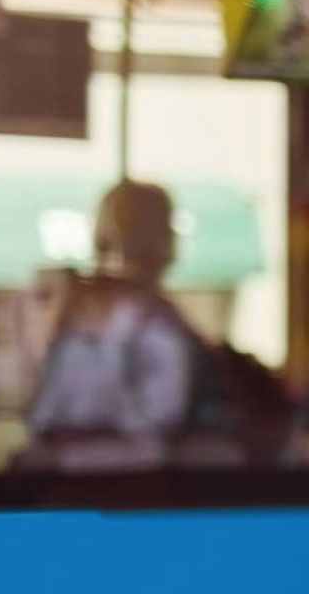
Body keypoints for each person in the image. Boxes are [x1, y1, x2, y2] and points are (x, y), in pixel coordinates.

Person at [21, 180, 201, 472]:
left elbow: (40, 404)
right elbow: (166, 410)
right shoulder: (157, 321)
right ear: (163, 241)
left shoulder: (64, 307)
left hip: (60, 479)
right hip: (136, 482)